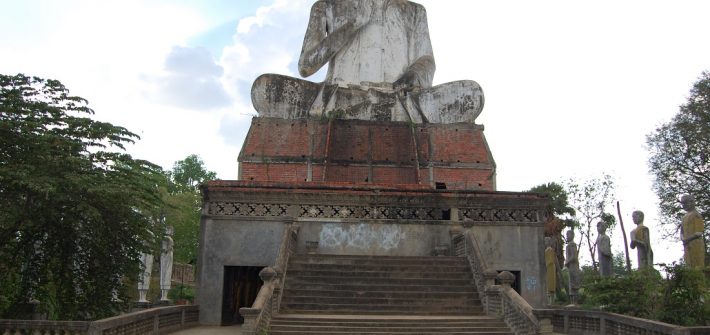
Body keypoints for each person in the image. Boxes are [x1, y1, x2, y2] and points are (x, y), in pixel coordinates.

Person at [251, 0, 484, 123]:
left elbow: (426, 60)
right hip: (338, 96)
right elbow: (306, 65)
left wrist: (412, 76)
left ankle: (381, 109)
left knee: (470, 94)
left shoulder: (414, 11)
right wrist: (351, 24)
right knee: (266, 88)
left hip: (400, 100)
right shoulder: (326, 6)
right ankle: (373, 109)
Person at [680, 195, 705, 268]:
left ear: (692, 202)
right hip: (686, 244)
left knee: (697, 265)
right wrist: (683, 239)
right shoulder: (684, 217)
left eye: (685, 202)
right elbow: (682, 232)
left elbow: (699, 232)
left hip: (695, 243)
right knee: (688, 265)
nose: (684, 205)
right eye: (682, 203)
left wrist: (687, 239)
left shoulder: (696, 215)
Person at [564, 229, 581, 304]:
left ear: (572, 235)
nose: (567, 236)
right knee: (571, 283)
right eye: (566, 235)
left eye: (568, 235)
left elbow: (574, 256)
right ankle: (572, 302)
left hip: (573, 266)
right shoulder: (569, 245)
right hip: (570, 266)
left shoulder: (572, 244)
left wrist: (567, 262)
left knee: (574, 283)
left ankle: (575, 302)